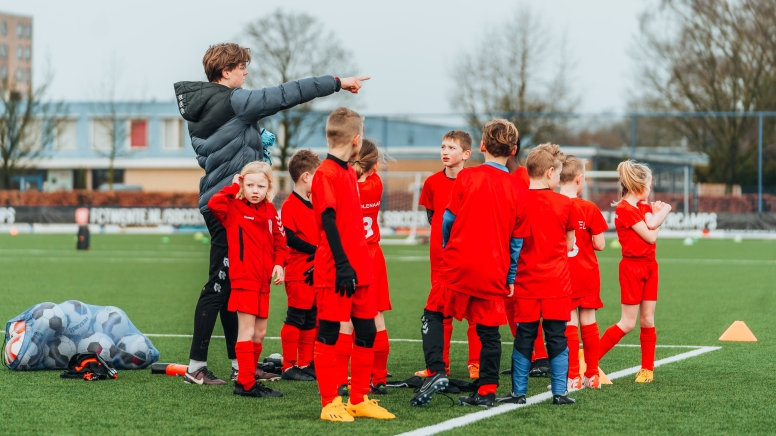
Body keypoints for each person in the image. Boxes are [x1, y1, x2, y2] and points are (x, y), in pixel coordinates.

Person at [174, 42, 368, 384]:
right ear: (226, 71)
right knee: (218, 286)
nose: (245, 72)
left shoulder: (202, 111)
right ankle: (196, 368)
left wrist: (250, 147)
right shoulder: (233, 100)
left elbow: (212, 157)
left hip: (223, 200)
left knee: (233, 285)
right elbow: (285, 93)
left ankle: (239, 366)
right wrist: (339, 82)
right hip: (229, 208)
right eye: (241, 67)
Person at [413, 119, 528, 408]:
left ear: (481, 146)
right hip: (494, 269)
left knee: (433, 313)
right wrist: (510, 275)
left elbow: (447, 221)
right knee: (489, 331)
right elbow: (516, 242)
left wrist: (451, 248)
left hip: (457, 264)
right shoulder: (518, 189)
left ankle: (437, 371)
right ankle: (487, 391)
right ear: (513, 150)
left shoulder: (467, 177)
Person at [311, 107, 395, 422]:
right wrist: (343, 264)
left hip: (361, 266)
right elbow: (328, 221)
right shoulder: (325, 173)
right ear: (356, 140)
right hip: (338, 268)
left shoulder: (348, 171)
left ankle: (359, 398)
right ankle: (330, 401)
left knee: (366, 331)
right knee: (330, 332)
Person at [501, 143, 578, 406]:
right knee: (556, 336)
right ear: (550, 173)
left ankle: (519, 393)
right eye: (558, 174)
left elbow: (511, 243)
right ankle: (559, 393)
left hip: (526, 283)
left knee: (525, 336)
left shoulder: (517, 201)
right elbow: (569, 245)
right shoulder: (565, 204)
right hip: (556, 282)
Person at [207, 161, 288, 398]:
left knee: (260, 333)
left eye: (260, 186)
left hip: (264, 281)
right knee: (247, 330)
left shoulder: (271, 211)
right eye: (249, 184)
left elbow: (281, 243)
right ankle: (246, 384)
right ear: (242, 183)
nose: (255, 190)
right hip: (244, 279)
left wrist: (279, 264)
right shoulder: (233, 208)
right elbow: (214, 203)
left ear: (268, 187)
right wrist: (234, 186)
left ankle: (248, 378)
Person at [415, 130, 483, 381]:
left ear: (466, 154)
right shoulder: (432, 182)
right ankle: (438, 367)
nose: (445, 151)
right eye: (443, 146)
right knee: (440, 312)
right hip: (441, 260)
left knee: (475, 313)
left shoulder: (476, 180)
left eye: (452, 148)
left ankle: (475, 364)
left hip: (469, 257)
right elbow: (433, 218)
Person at [598, 160, 671, 383]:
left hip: (650, 267)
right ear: (637, 186)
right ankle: (590, 359)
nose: (650, 190)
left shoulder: (643, 206)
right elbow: (650, 235)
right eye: (648, 185)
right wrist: (665, 210)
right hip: (632, 268)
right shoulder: (624, 209)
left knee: (648, 319)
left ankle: (647, 369)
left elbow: (650, 222)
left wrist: (655, 215)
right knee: (628, 323)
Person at [558, 156, 608, 390]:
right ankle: (592, 375)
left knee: (569, 324)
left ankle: (572, 377)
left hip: (563, 275)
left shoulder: (553, 204)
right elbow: (600, 244)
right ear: (580, 180)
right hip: (587, 273)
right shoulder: (589, 208)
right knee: (589, 322)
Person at [351, 139, 392, 394]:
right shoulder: (377, 184)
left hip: (351, 254)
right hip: (374, 254)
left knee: (348, 320)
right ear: (374, 165)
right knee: (377, 317)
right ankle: (379, 378)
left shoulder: (345, 185)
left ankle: (351, 377)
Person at [279, 150, 322, 382]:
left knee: (311, 317)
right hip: (299, 271)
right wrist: (317, 250)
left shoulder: (313, 203)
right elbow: (289, 238)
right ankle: (288, 366)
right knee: (296, 316)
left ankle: (305, 363)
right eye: (317, 175)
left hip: (316, 271)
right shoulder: (289, 205)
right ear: (305, 176)